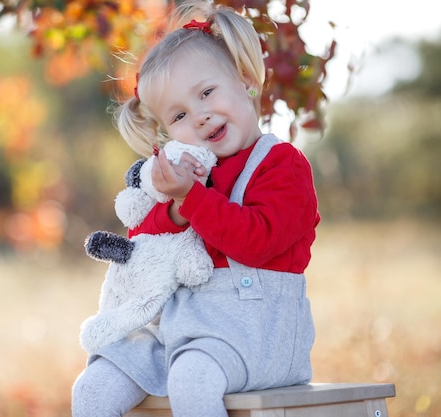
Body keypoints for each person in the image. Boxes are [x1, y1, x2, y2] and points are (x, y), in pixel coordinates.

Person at [72, 0, 320, 416]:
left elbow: (257, 242)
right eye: (181, 114)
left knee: (192, 379)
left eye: (207, 93)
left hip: (257, 333)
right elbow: (147, 247)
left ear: (244, 80)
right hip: (179, 330)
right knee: (93, 390)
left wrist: (193, 198)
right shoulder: (188, 174)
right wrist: (175, 207)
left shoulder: (282, 165)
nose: (201, 116)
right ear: (168, 132)